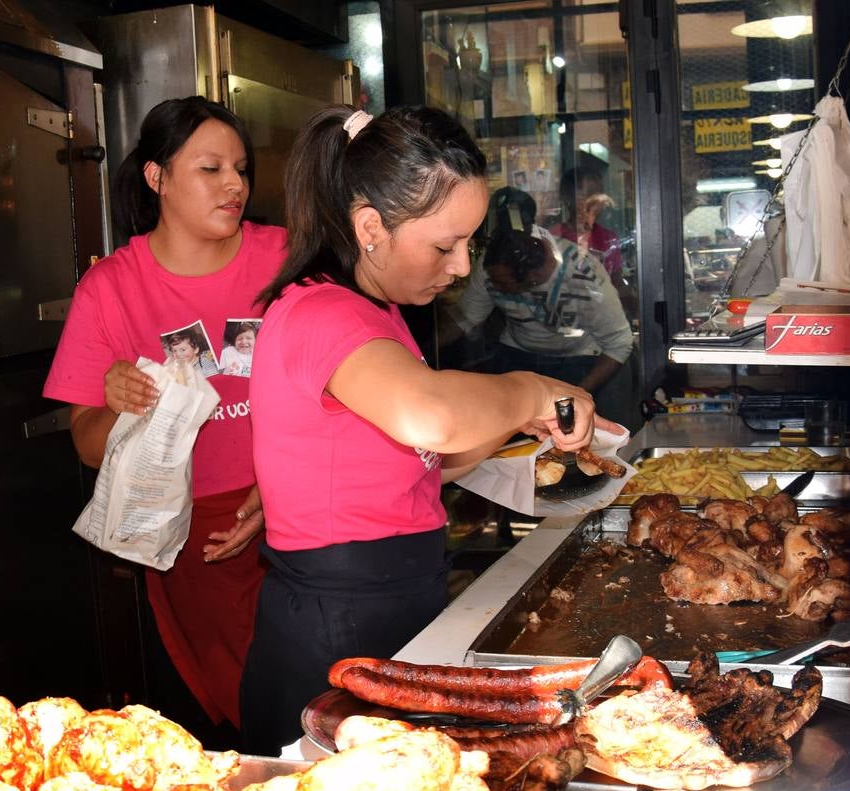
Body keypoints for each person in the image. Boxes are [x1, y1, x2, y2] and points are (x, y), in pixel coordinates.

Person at [241, 106, 617, 755]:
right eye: (445, 245)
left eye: (468, 244)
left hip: (393, 603)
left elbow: (426, 464)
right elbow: (429, 416)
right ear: (370, 229)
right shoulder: (319, 312)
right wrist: (526, 387)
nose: (463, 266)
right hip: (333, 631)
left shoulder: (378, 314)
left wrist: (513, 423)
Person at [43, 96, 287, 743]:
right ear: (156, 177)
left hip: (301, 517)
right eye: (211, 168)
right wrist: (116, 403)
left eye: (240, 168)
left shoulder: (286, 259)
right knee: (241, 723)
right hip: (196, 541)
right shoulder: (110, 287)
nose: (234, 184)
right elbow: (90, 447)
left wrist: (280, 485)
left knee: (317, 701)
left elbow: (344, 387)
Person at [449, 188, 634, 424]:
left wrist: (573, 397)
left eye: (503, 284)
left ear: (533, 277)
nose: (496, 287)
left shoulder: (581, 273)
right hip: (519, 357)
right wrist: (422, 347)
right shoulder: (491, 264)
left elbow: (619, 344)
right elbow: (465, 319)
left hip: (578, 359)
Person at [550, 165, 636, 320]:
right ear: (567, 198)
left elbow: (616, 282)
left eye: (599, 194)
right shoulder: (553, 237)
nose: (596, 201)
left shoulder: (608, 238)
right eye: (588, 194)